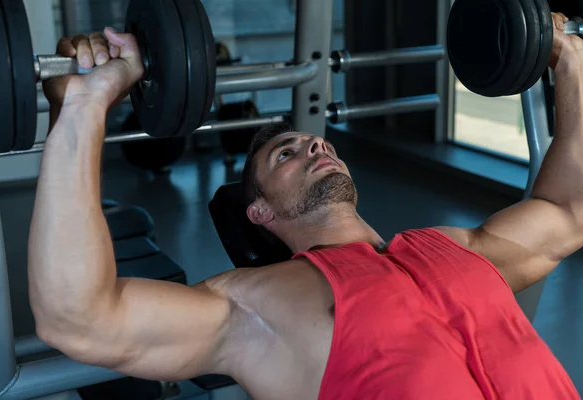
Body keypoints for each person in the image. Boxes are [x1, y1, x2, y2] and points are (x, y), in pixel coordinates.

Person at [28, 13, 582, 400]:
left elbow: (569, 212)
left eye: (317, 142)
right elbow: (80, 319)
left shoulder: (456, 247)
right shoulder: (254, 310)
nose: (315, 143)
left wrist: (569, 63)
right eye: (284, 153)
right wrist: (84, 107)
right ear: (260, 211)